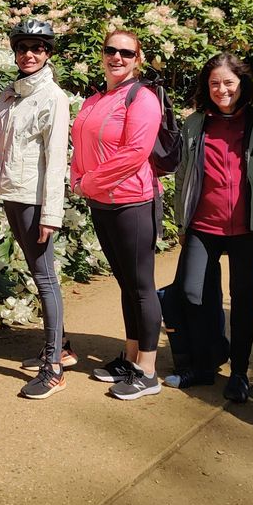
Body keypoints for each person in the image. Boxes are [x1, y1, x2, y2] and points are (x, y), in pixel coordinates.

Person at [0, 19, 75, 399]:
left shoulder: (53, 97)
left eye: (37, 48)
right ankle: (62, 348)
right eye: (22, 48)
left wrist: (51, 214)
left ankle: (54, 368)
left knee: (45, 277)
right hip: (13, 193)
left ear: (48, 53)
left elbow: (55, 159)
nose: (29, 54)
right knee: (39, 273)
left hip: (34, 199)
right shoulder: (11, 94)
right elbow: (17, 147)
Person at [168, 53, 253, 403]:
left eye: (228, 82)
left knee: (242, 299)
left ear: (242, 84)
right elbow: (183, 176)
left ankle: (239, 372)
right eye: (214, 83)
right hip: (202, 224)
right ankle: (205, 363)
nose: (221, 89)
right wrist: (182, 221)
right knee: (193, 293)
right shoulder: (195, 123)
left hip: (248, 228)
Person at [70, 29, 163, 401]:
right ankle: (129, 356)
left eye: (126, 53)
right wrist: (81, 178)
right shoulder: (95, 99)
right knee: (125, 282)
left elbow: (135, 152)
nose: (117, 58)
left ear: (137, 59)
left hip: (132, 201)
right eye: (111, 50)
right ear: (103, 54)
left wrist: (88, 182)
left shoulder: (143, 98)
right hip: (102, 201)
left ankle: (149, 370)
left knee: (141, 285)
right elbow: (81, 140)